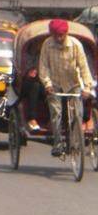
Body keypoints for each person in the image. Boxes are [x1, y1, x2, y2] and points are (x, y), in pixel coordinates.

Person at [39, 19, 95, 157]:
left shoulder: (76, 45)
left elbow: (84, 67)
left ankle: (76, 142)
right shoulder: (47, 44)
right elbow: (43, 67)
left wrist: (87, 87)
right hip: (55, 84)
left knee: (78, 113)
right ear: (52, 34)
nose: (59, 38)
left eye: (61, 35)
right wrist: (47, 84)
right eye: (56, 35)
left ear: (66, 33)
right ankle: (57, 143)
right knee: (56, 113)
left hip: (73, 83)